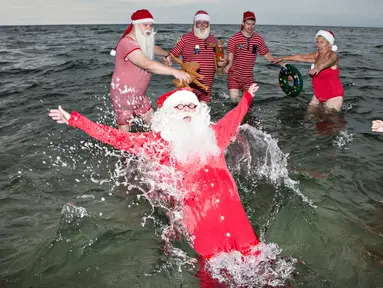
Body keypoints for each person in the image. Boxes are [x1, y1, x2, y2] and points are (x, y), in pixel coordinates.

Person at [48, 83, 262, 285]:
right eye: (180, 106)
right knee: (215, 275)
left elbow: (236, 115)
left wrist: (248, 96)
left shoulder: (215, 134)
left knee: (261, 263)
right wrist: (75, 120)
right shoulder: (158, 144)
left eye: (191, 106)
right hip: (203, 227)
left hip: (236, 220)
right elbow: (116, 138)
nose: (187, 110)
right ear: (169, 114)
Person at [109, 9, 190, 132]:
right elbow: (147, 64)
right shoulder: (126, 43)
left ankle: (164, 141)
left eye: (150, 25)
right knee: (124, 132)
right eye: (145, 24)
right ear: (136, 24)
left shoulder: (139, 41)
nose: (148, 28)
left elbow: (153, 48)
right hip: (123, 96)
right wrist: (174, 71)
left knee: (157, 125)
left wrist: (167, 54)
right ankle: (120, 148)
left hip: (139, 96)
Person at [274, 30, 344, 114]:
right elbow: (301, 57)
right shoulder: (316, 55)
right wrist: (283, 58)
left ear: (329, 44)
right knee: (310, 117)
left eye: (322, 42)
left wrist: (319, 67)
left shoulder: (332, 55)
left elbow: (331, 61)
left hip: (333, 95)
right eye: (317, 42)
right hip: (318, 96)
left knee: (328, 123)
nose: (319, 45)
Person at [165, 10, 225, 103]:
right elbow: (173, 54)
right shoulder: (185, 38)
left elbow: (219, 63)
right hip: (190, 84)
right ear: (194, 23)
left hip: (206, 88)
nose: (202, 25)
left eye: (205, 23)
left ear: (208, 24)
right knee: (189, 109)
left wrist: (223, 63)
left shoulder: (214, 40)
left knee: (203, 112)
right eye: (199, 23)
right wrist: (168, 58)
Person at [225, 11, 282, 101]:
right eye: (248, 24)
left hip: (248, 77)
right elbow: (230, 57)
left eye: (253, 24)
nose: (250, 27)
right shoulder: (234, 38)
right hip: (234, 75)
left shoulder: (258, 39)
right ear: (243, 23)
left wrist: (283, 65)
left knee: (247, 103)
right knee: (235, 101)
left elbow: (267, 55)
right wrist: (227, 66)